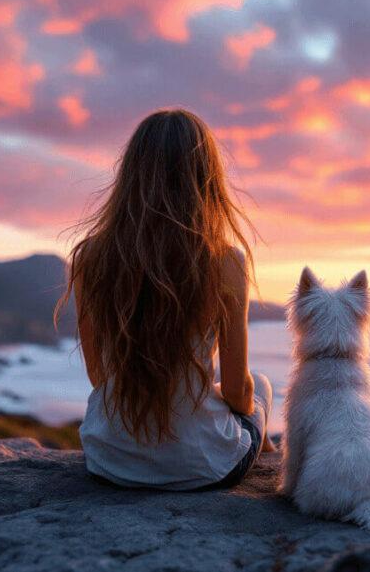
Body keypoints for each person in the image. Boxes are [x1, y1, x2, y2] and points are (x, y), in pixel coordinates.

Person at [56, 108, 275, 491]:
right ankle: (267, 449)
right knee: (261, 385)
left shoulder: (91, 257)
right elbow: (240, 390)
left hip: (110, 461)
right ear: (206, 180)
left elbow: (99, 377)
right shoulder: (225, 262)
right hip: (203, 468)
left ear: (130, 175)